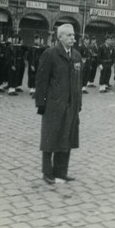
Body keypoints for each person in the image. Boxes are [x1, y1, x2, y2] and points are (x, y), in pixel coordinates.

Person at [35, 23, 82, 185]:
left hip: (71, 105)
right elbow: (41, 81)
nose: (72, 38)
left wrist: (79, 103)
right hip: (54, 105)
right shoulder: (50, 54)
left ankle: (61, 172)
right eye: (69, 35)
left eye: (74, 35)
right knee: (50, 138)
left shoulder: (76, 56)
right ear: (60, 37)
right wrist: (41, 103)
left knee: (66, 138)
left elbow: (78, 82)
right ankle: (47, 172)